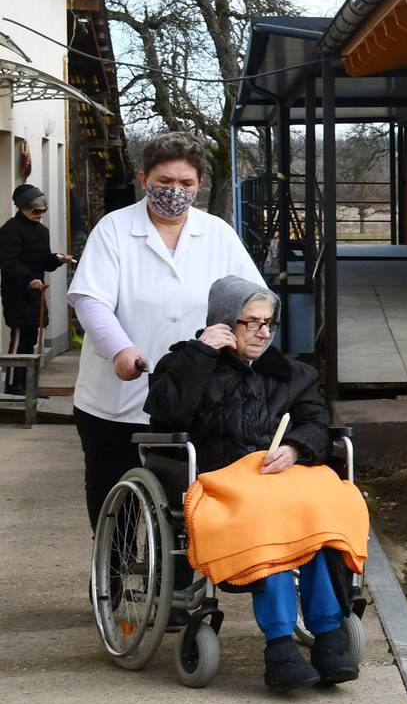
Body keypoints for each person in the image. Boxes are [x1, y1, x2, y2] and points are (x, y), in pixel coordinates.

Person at [146, 275, 357, 692]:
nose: (263, 332)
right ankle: (280, 645)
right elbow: (168, 414)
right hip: (220, 482)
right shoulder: (186, 363)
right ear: (225, 323)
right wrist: (203, 352)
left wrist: (297, 447)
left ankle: (329, 634)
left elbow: (316, 421)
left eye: (268, 323)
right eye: (251, 322)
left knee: (321, 510)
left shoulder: (291, 373)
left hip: (282, 478)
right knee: (273, 518)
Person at [66, 132, 260, 529]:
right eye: (164, 183)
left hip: (191, 400)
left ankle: (181, 589)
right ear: (143, 180)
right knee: (113, 510)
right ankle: (111, 584)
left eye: (186, 184)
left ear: (199, 185)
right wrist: (120, 349)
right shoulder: (114, 229)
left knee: (185, 513)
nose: (175, 192)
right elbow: (90, 300)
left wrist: (248, 339)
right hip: (116, 401)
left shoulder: (218, 234)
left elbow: (252, 299)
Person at [1, 184, 73, 394]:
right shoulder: (10, 230)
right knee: (19, 337)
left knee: (31, 339)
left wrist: (58, 259)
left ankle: (27, 385)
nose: (40, 215)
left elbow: (44, 262)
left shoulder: (42, 231)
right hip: (18, 292)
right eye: (35, 211)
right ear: (23, 208)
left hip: (36, 292)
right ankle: (13, 385)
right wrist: (29, 278)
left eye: (43, 211)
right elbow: (9, 263)